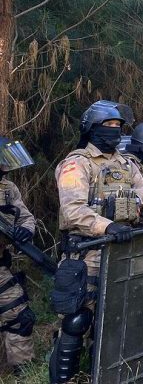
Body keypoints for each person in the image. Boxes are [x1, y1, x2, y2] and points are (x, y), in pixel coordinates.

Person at [51, 101, 143, 384]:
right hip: (88, 253)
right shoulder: (77, 163)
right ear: (92, 129)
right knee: (78, 321)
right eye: (108, 126)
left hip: (124, 250)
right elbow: (73, 209)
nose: (114, 131)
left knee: (118, 316)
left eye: (118, 127)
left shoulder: (126, 164)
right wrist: (107, 226)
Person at [0, 138, 37, 376]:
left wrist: (26, 230)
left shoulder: (7, 188)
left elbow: (25, 216)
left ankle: (23, 370)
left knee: (19, 316)